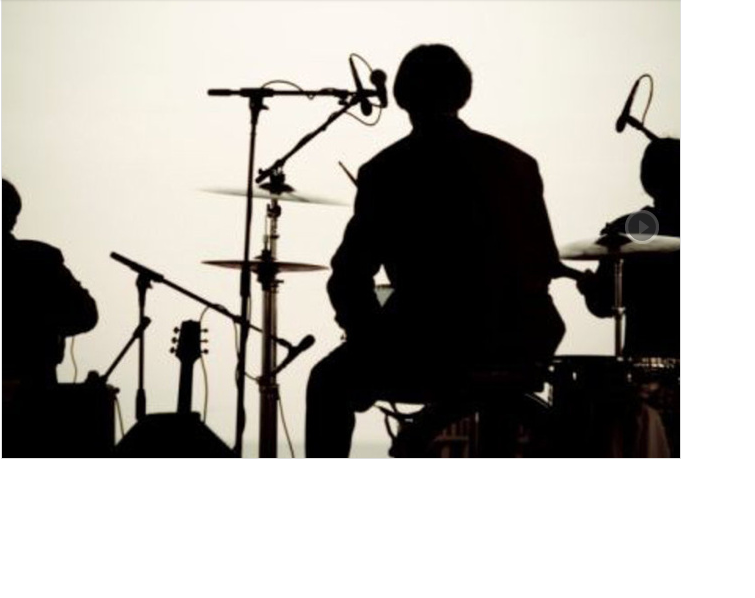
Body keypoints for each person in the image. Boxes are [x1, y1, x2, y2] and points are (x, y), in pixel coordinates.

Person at [305, 45, 565, 457]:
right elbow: (544, 262)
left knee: (327, 383)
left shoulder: (386, 170)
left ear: (402, 97)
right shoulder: (518, 163)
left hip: (429, 348)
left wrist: (368, 335)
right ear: (463, 93)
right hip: (521, 343)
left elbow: (349, 276)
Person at [577, 138, 680, 358]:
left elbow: (604, 303)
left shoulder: (627, 231)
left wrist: (590, 289)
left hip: (644, 358)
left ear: (647, 180)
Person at [3, 179, 99, 387]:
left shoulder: (41, 260)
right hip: (35, 389)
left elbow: (86, 313)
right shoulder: (41, 259)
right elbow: (87, 314)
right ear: (13, 219)